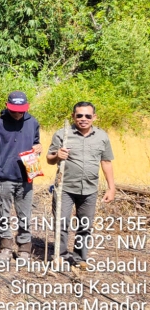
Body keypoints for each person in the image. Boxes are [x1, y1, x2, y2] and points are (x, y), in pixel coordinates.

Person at [47, 101, 115, 265]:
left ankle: (79, 257)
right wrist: (58, 156)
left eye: (87, 116)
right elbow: (49, 159)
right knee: (61, 223)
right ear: (73, 116)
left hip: (90, 189)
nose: (83, 119)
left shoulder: (102, 136)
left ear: (94, 117)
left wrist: (111, 188)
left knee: (85, 225)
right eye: (79, 115)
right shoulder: (62, 134)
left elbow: (106, 162)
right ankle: (61, 255)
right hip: (65, 188)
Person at [0, 91, 42, 262]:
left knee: (25, 214)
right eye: (14, 110)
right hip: (4, 177)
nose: (17, 113)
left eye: (21, 110)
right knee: (3, 213)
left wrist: (38, 148)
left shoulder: (32, 122)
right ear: (7, 107)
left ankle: (24, 248)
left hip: (26, 176)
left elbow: (36, 143)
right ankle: (6, 246)